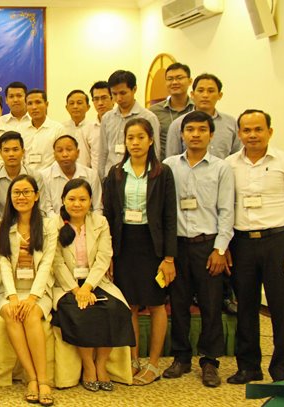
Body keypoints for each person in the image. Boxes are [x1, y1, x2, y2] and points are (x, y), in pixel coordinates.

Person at [161, 111, 234, 387]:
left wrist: (220, 249)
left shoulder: (221, 168)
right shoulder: (169, 166)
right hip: (177, 245)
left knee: (211, 304)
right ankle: (181, 356)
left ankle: (210, 361)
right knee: (178, 303)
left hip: (208, 245)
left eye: (202, 130)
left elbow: (226, 210)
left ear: (211, 134)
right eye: (190, 129)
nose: (195, 134)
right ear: (181, 134)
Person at [102, 117, 176, 386]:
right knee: (130, 304)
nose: (135, 143)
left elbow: (169, 217)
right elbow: (109, 215)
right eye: (130, 138)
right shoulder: (116, 173)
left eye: (140, 138)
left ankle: (154, 363)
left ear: (151, 140)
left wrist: (169, 258)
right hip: (124, 244)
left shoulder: (162, 173)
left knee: (156, 305)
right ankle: (133, 360)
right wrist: (109, 253)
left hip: (152, 245)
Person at [224, 109, 284, 384]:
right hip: (242, 243)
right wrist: (224, 245)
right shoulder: (228, 165)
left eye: (258, 129)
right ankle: (248, 367)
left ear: (269, 132)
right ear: (239, 133)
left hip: (278, 241)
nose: (252, 135)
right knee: (246, 307)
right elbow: (225, 208)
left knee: (283, 309)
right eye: (247, 130)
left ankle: (283, 370)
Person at [51, 178, 134, 392]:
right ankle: (88, 366)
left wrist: (87, 287)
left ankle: (101, 364)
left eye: (82, 199)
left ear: (90, 201)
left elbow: (104, 257)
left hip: (96, 281)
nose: (77, 204)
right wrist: (76, 290)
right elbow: (56, 261)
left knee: (115, 309)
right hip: (67, 284)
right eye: (71, 199)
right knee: (80, 311)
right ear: (63, 200)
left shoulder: (100, 222)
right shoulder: (54, 224)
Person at [0, 174, 57, 406]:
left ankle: (43, 381)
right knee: (12, 313)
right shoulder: (3, 227)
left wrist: (32, 297)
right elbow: (2, 264)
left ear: (36, 195)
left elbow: (47, 264)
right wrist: (12, 296)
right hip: (9, 289)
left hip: (38, 291)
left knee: (31, 315)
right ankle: (31, 378)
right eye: (16, 193)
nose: (21, 197)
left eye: (26, 192)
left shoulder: (49, 225)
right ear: (10, 198)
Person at [98, 70, 160, 177]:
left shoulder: (149, 118)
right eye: (114, 94)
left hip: (139, 177)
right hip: (112, 177)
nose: (118, 98)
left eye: (123, 93)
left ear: (134, 89)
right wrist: (103, 178)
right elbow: (103, 153)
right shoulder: (107, 118)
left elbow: (155, 152)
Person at [164, 73, 241, 159]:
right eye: (200, 91)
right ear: (192, 95)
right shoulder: (178, 124)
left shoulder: (231, 123)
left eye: (211, 91)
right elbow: (172, 160)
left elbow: (237, 157)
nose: (205, 95)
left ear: (220, 95)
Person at [0, 131, 44, 224]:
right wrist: (5, 227)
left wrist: (24, 226)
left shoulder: (35, 176)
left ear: (23, 152)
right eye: (6, 150)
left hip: (30, 226)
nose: (11, 154)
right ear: (0, 153)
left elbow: (42, 208)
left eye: (15, 149)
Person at [39, 135, 102, 218]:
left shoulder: (91, 175)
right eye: (60, 150)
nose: (65, 154)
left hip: (87, 225)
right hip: (55, 225)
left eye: (69, 149)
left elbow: (97, 208)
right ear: (54, 155)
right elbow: (47, 209)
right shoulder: (44, 176)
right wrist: (61, 225)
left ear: (78, 153)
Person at [150, 63, 194, 157]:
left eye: (179, 78)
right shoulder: (153, 112)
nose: (174, 82)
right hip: (162, 166)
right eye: (170, 79)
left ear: (190, 81)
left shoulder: (197, 109)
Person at [21, 89, 64, 171]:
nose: (34, 107)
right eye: (30, 103)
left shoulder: (58, 129)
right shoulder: (20, 130)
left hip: (49, 177)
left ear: (46, 104)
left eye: (38, 102)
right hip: (25, 178)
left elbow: (60, 156)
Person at [63, 90, 97, 168]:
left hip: (87, 174)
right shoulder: (61, 128)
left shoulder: (94, 127)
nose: (75, 106)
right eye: (71, 103)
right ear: (67, 107)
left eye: (79, 103)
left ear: (88, 107)